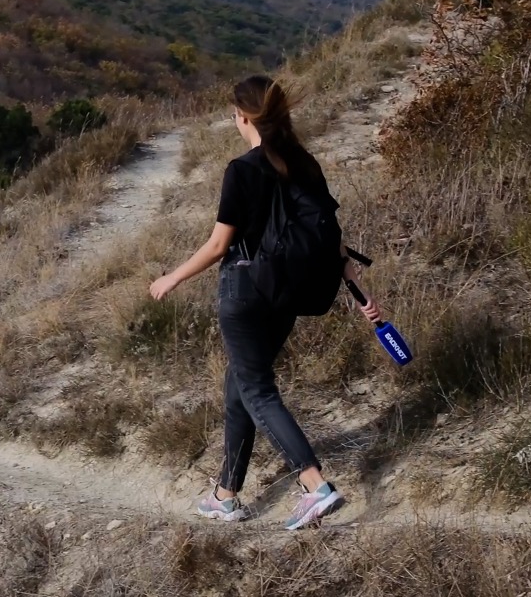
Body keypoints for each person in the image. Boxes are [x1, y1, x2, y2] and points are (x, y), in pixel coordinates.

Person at [148, 75, 381, 529]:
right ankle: (225, 493)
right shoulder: (305, 164)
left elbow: (219, 246)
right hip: (286, 294)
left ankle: (315, 485)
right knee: (239, 385)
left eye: (234, 114)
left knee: (256, 389)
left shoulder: (243, 169)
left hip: (244, 290)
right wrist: (355, 284)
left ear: (244, 117)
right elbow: (329, 235)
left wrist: (170, 279)